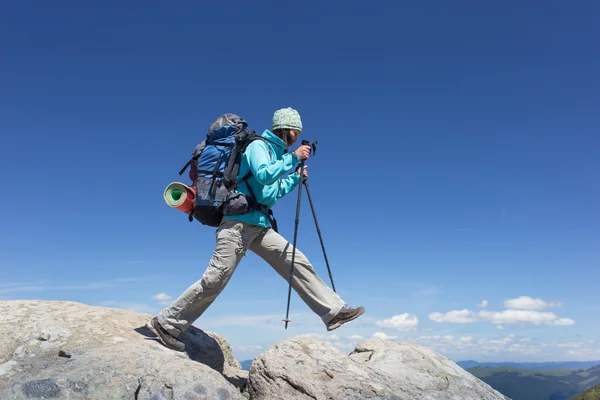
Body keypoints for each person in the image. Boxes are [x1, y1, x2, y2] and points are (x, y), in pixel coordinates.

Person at [147, 107, 365, 351]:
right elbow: (263, 175)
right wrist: (293, 158)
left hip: (259, 225)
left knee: (295, 261)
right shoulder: (258, 146)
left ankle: (332, 312)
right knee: (216, 278)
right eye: (297, 130)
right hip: (237, 225)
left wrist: (294, 178)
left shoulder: (275, 153)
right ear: (289, 129)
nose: (298, 135)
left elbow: (269, 193)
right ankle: (166, 323)